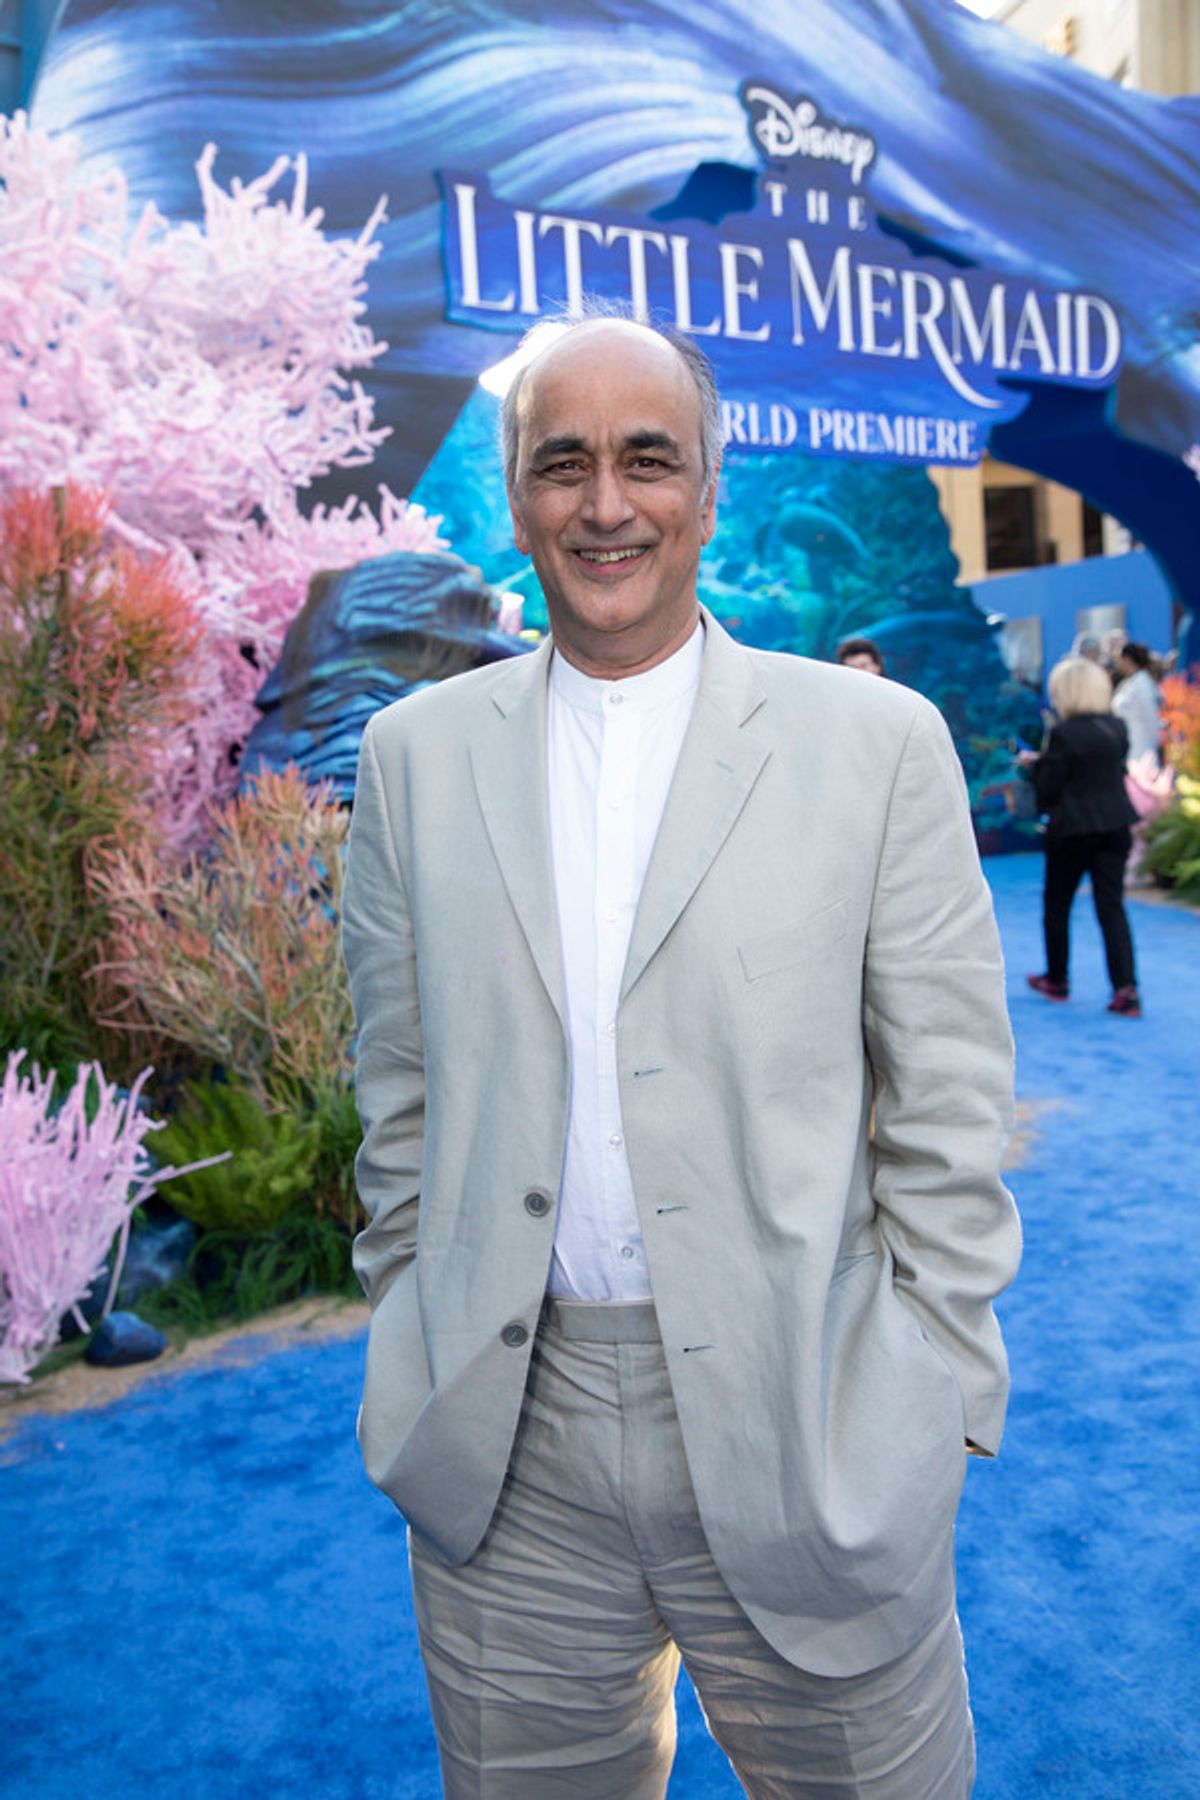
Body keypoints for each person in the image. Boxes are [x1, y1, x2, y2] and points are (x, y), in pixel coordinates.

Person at [341, 316, 1021, 1799]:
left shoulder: (879, 743)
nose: (606, 504)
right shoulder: (410, 760)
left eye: (647, 459)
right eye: (562, 463)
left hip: (811, 1416)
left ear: (707, 488)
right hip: (507, 1453)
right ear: (515, 495)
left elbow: (951, 1110)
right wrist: (412, 1313)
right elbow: (395, 1095)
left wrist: (934, 1390)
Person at [1020, 655, 1142, 1017]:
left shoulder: (1063, 733)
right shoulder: (1117, 728)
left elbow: (1050, 788)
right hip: (1116, 825)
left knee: (1057, 906)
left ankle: (1057, 979)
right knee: (1112, 907)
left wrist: (1036, 766)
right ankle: (1126, 990)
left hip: (1073, 829)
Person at [1111, 640, 1162, 763]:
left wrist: (1153, 749)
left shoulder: (1143, 684)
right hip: (1128, 748)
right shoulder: (1130, 683)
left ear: (1127, 659)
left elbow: (1151, 718)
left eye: (1119, 658)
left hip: (1141, 751)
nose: (1116, 662)